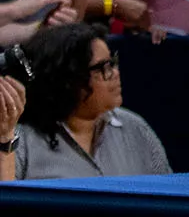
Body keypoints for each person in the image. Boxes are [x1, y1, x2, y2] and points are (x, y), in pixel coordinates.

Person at [11, 23, 171, 179]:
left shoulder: (136, 129)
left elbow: (169, 195)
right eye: (104, 68)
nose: (115, 73)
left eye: (113, 63)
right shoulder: (20, 140)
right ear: (69, 80)